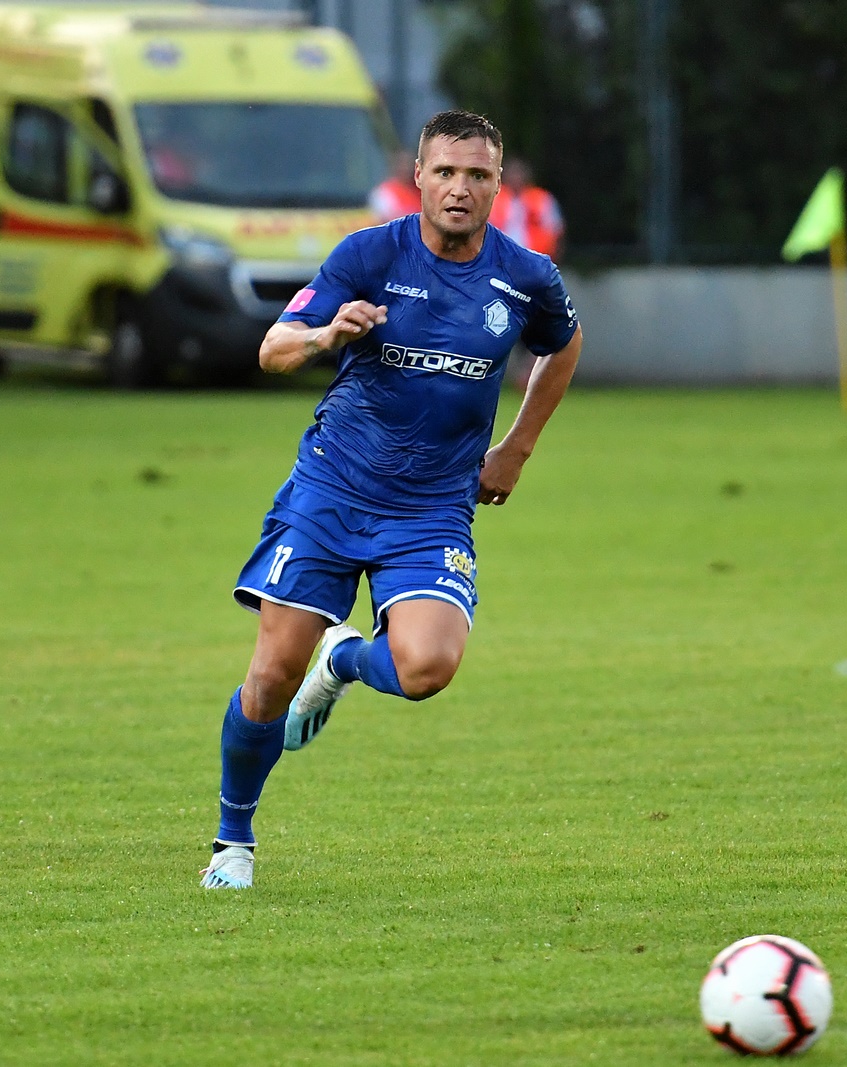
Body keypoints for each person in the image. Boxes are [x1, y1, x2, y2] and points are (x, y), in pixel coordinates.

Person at [199, 110, 583, 891]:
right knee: (271, 677)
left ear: (497, 185)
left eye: (477, 175)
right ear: (418, 177)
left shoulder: (526, 275)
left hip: (433, 506)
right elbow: (274, 349)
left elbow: (564, 340)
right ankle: (232, 842)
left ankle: (343, 657)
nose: (460, 189)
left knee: (427, 667)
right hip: (332, 490)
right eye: (445, 172)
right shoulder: (369, 255)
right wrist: (326, 336)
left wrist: (516, 447)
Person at [490, 159, 564, 259]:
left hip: (535, 259)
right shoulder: (492, 198)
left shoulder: (542, 199)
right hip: (499, 259)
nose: (515, 177)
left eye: (519, 173)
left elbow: (557, 230)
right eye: (512, 173)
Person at [368, 147, 420, 223]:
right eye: (403, 164)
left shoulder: (423, 191)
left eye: (409, 164)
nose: (407, 169)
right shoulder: (384, 193)